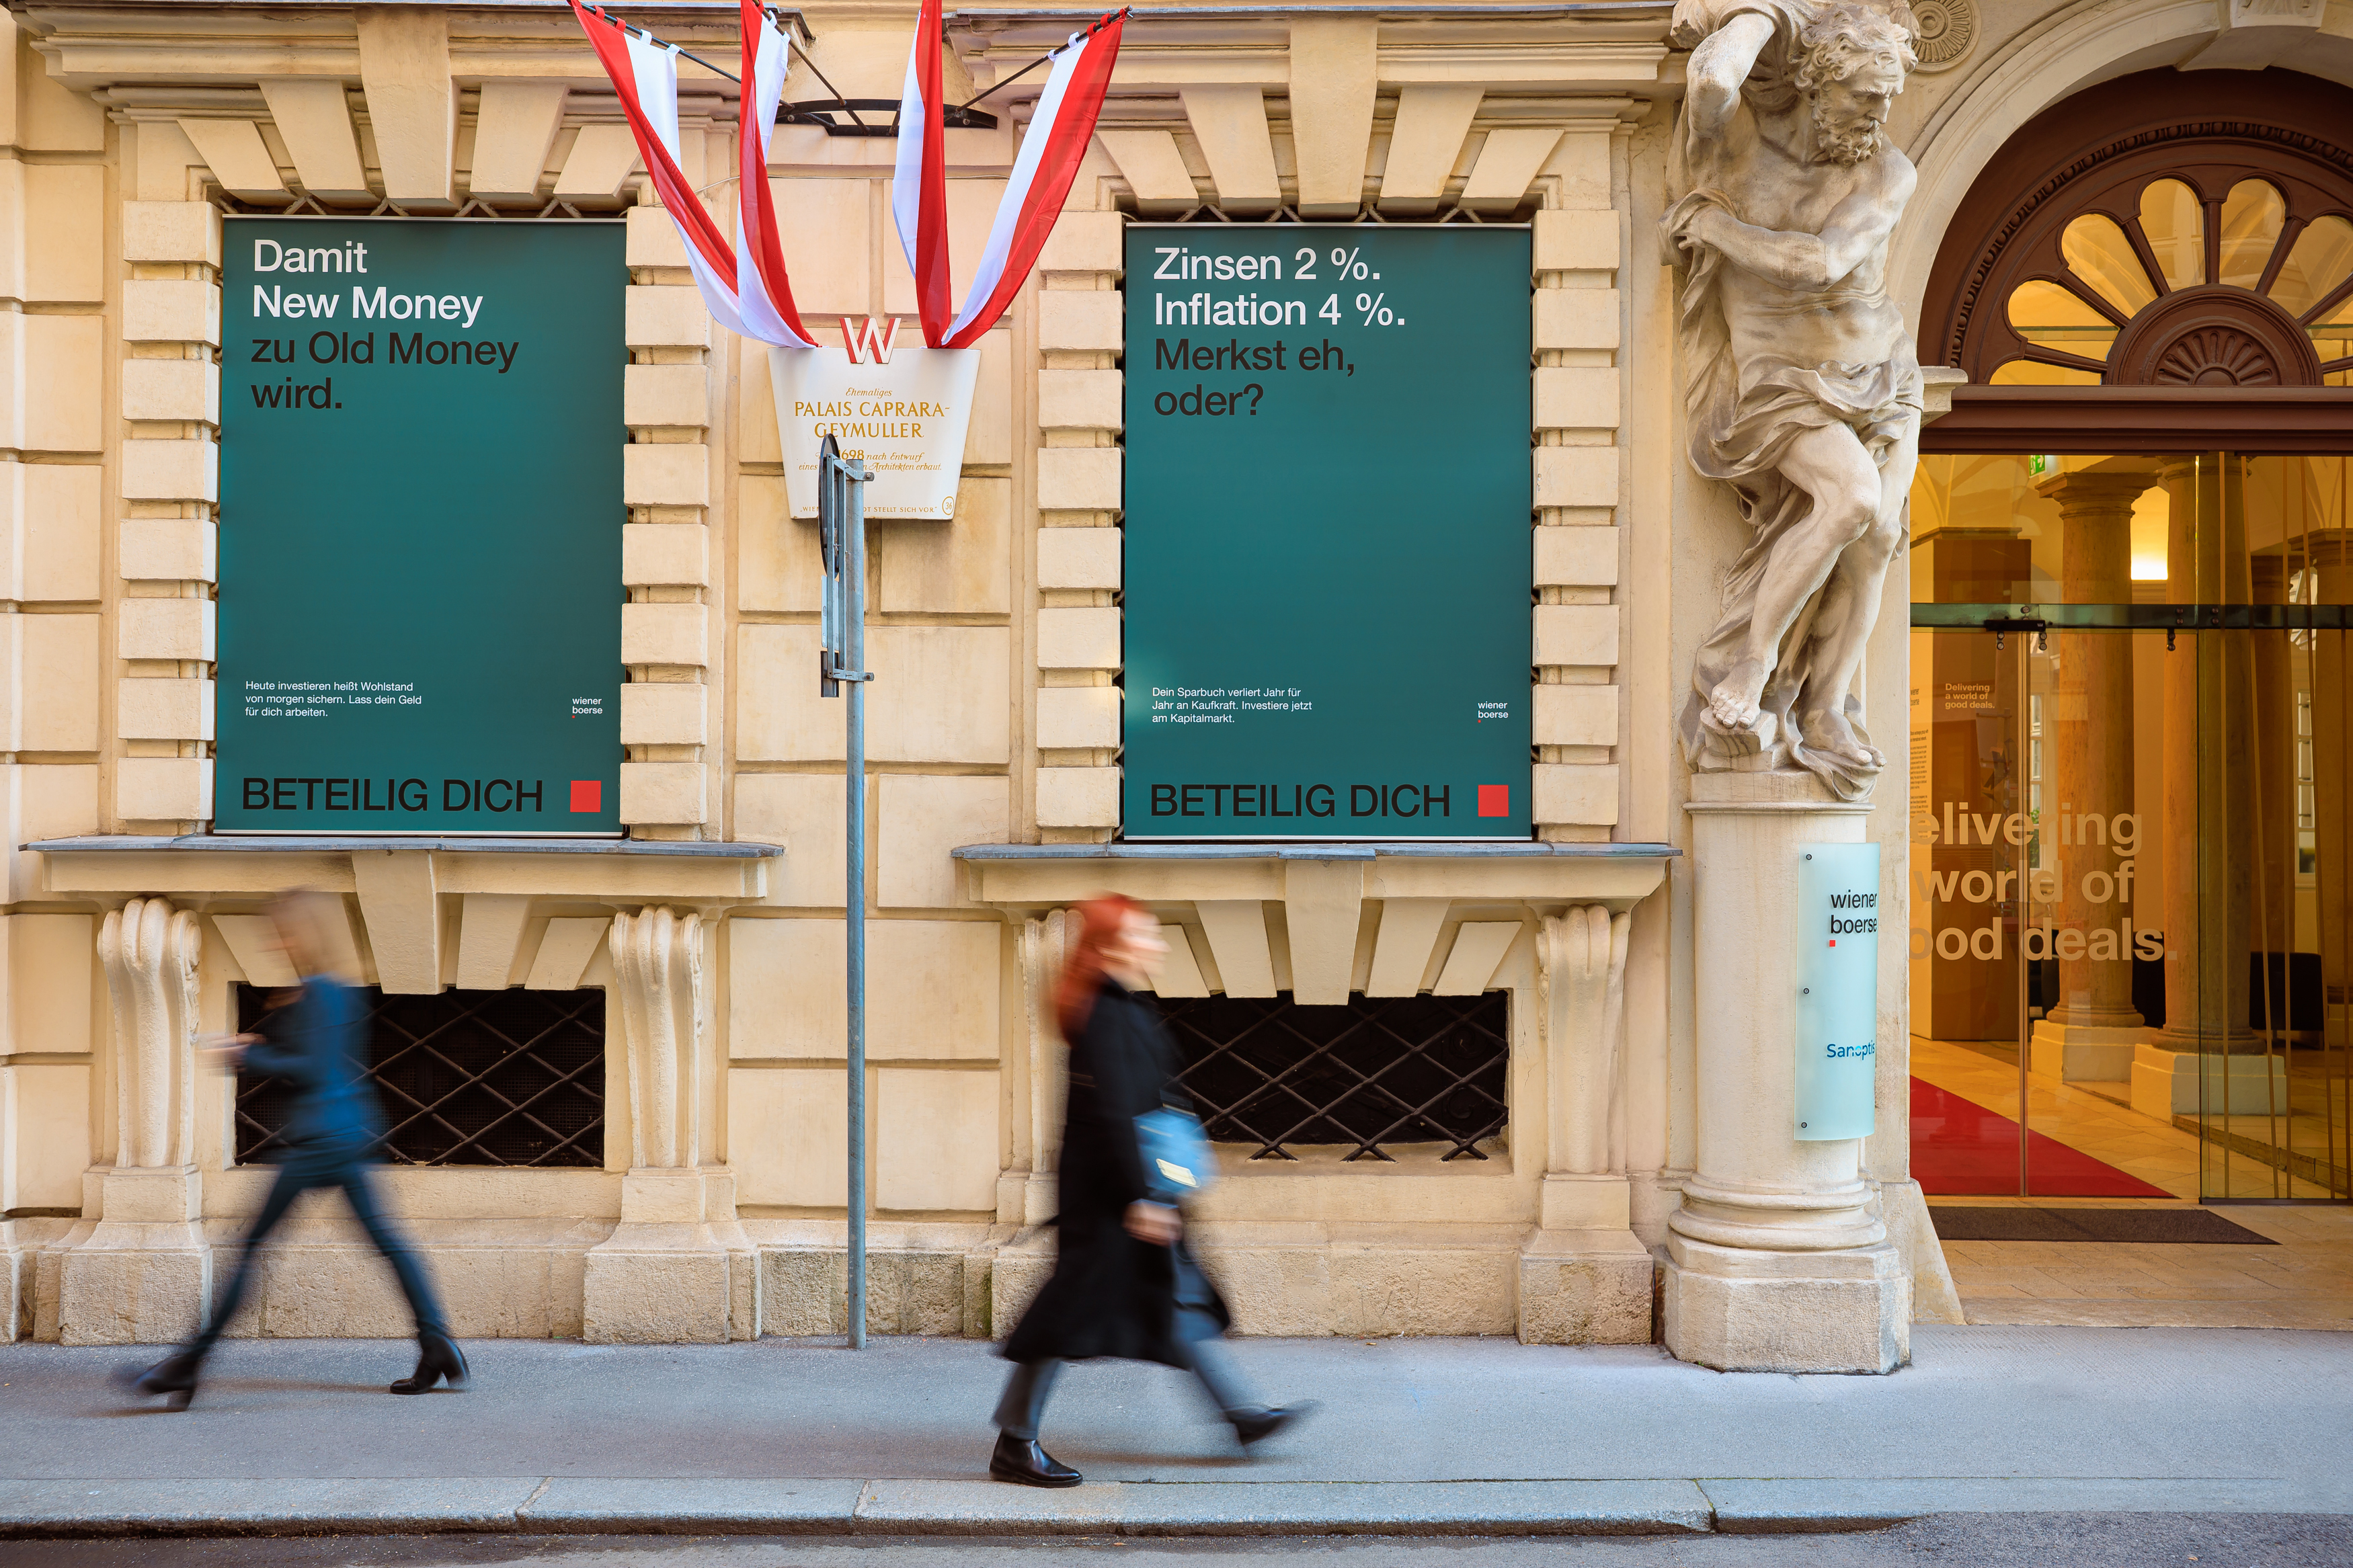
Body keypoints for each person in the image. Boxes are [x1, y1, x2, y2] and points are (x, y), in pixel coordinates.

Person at [1663, 0, 1923, 800]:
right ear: (1815, 82)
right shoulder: (1740, 145)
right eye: (1864, 95)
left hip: (1881, 371)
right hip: (1780, 378)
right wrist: (1757, 16)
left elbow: (1821, 264)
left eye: (1887, 96)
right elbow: (1712, 79)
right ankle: (1752, 659)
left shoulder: (1887, 170)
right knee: (1850, 499)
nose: (1879, 113)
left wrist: (1714, 230)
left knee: (1877, 537)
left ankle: (1825, 708)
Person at [989, 894, 1310, 1487]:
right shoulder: (1105, 1012)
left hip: (1131, 1187)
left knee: (1171, 1296)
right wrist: (1143, 1196)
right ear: (1111, 945)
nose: (1155, 943)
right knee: (1067, 1314)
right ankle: (1015, 1442)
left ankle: (1240, 1415)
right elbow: (1115, 1112)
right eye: (1144, 934)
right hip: (1113, 1198)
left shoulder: (1119, 1004)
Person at [121, 891, 467, 1409]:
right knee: (388, 1243)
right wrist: (265, 1042)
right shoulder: (327, 991)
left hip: (323, 1138)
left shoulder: (321, 992)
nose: (276, 941)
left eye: (283, 931)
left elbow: (314, 1067)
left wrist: (249, 1053)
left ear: (305, 933)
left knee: (253, 1248)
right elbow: (317, 1055)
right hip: (343, 1133)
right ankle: (438, 1344)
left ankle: (188, 1364)